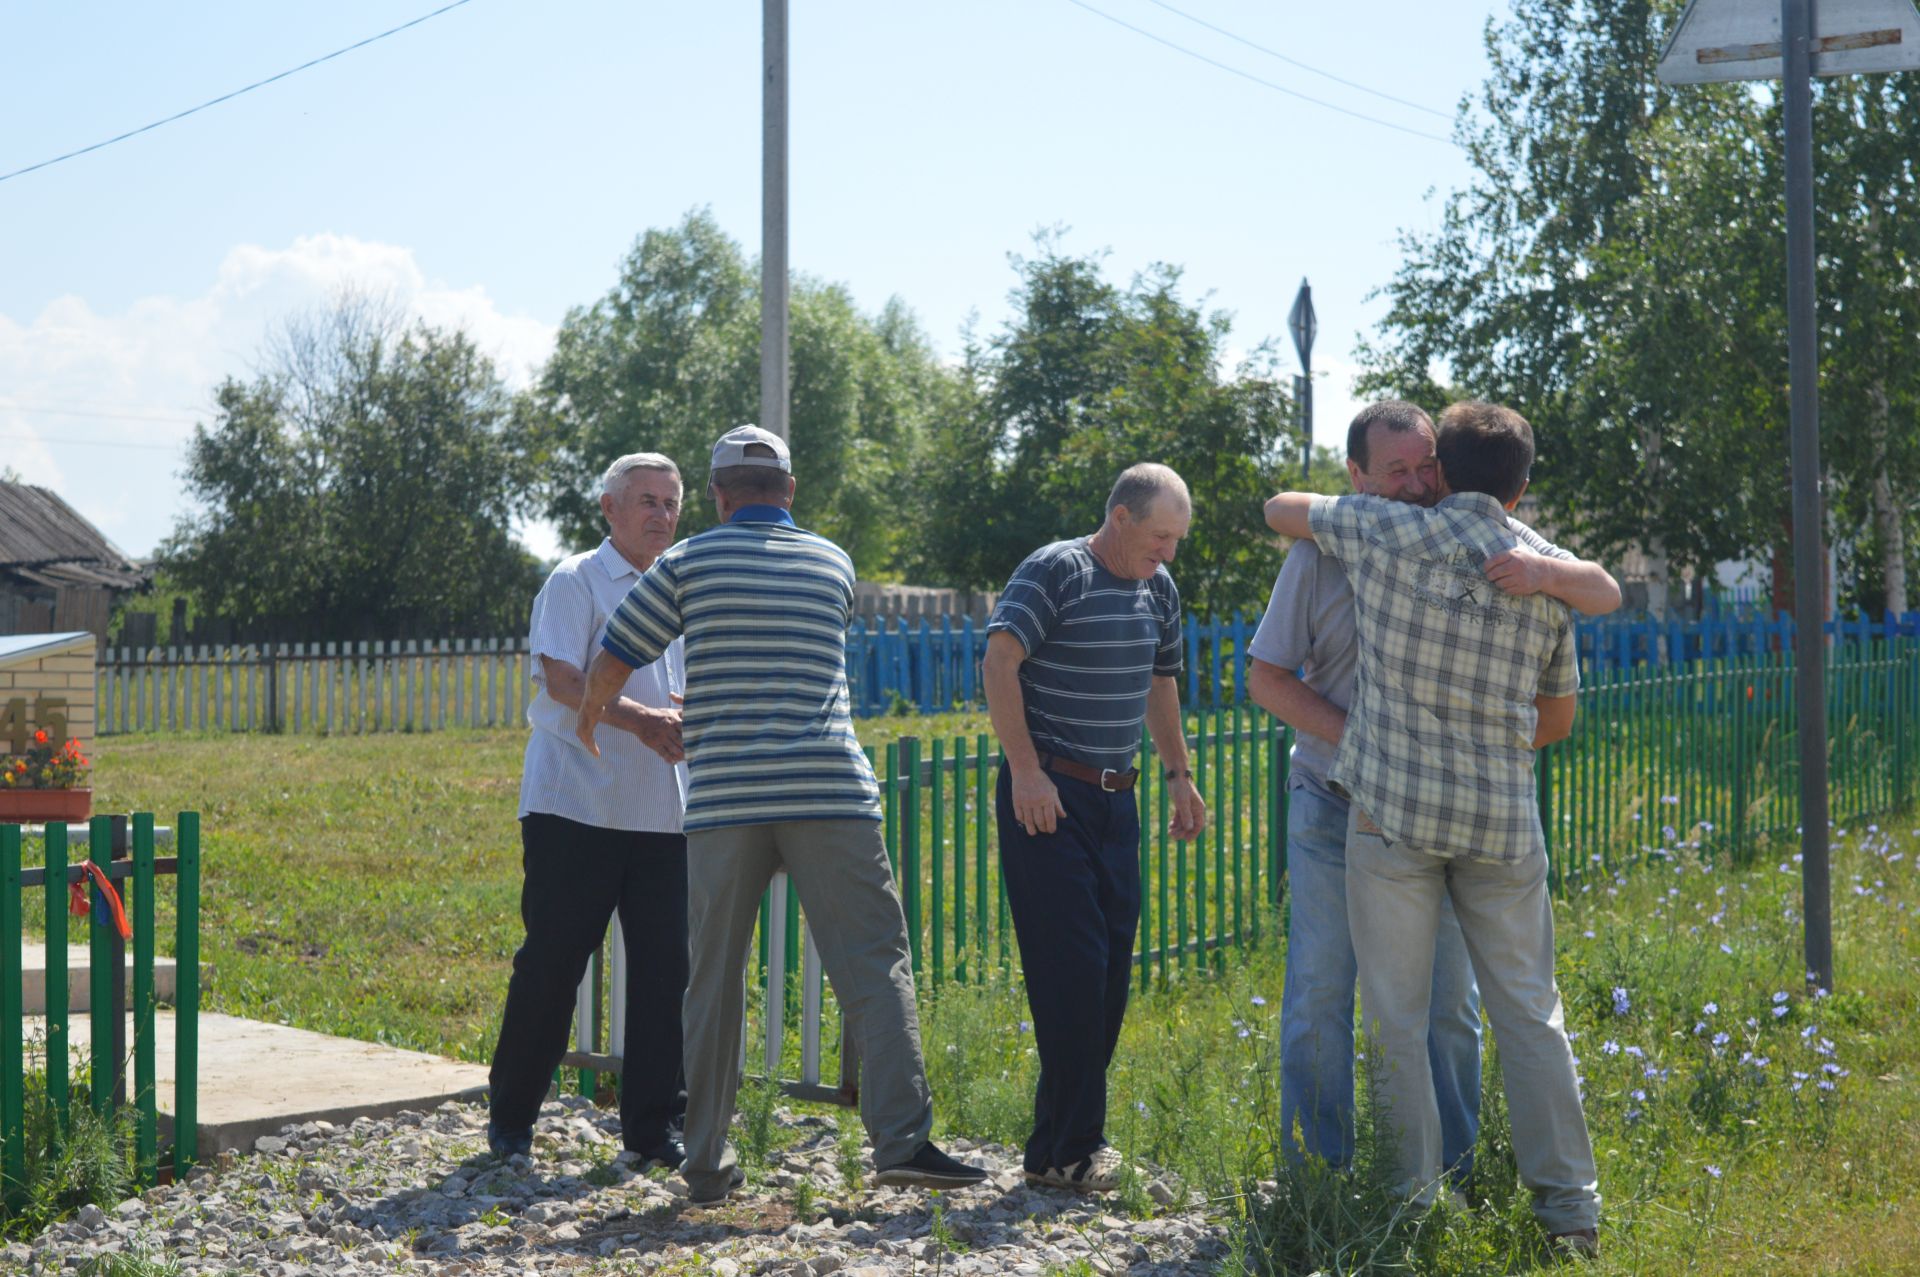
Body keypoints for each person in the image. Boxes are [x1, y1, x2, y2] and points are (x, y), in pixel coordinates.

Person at [575, 424, 986, 1205]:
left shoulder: (687, 560)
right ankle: (902, 1141)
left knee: (714, 981)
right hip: (830, 790)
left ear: (720, 494)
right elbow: (798, 659)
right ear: (790, 492)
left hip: (728, 799)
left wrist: (594, 719)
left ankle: (702, 1162)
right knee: (874, 964)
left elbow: (616, 656)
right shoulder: (833, 561)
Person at [1247, 400, 1619, 1182]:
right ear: (1355, 477)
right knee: (1322, 992)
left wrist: (1430, 752)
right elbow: (1265, 677)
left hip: (1418, 814)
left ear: (1446, 469)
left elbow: (1590, 600)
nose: (1415, 484)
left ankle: (1439, 1177)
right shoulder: (1325, 550)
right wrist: (1376, 744)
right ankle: (1320, 1175)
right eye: (1396, 471)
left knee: (1443, 1009)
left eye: (1426, 467)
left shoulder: (1468, 547)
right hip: (1336, 798)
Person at [982, 463, 1207, 1193]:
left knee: (1107, 975)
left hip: (1118, 801)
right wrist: (1024, 770)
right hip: (1048, 794)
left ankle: (1053, 1151)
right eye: (1159, 535)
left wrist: (1179, 774)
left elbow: (1159, 681)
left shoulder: (1157, 587)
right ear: (1119, 516)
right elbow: (1000, 659)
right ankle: (1079, 1146)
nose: (1169, 551)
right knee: (1073, 971)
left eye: (1177, 538)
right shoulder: (1058, 570)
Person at [486, 452, 692, 1169]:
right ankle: (511, 1116)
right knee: (553, 963)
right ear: (609, 508)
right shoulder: (576, 579)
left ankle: (651, 1126)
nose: (660, 514)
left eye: (670, 502)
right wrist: (639, 720)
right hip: (576, 805)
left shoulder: (683, 585)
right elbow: (563, 677)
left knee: (668, 970)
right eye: (645, 500)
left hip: (664, 815)